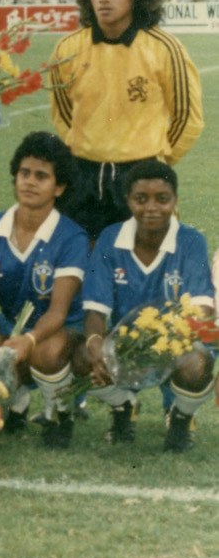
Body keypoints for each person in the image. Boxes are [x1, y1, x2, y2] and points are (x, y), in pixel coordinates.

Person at [49, 0, 204, 240]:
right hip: (82, 178)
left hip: (142, 178)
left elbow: (188, 119)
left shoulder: (165, 49)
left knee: (145, 271)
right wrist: (94, 145)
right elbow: (65, 114)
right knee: (81, 270)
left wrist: (154, 159)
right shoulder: (66, 50)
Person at [82, 161, 214, 451]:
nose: (151, 207)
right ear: (128, 200)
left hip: (176, 343)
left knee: (198, 362)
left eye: (162, 199)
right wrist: (95, 345)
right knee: (80, 355)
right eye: (141, 199)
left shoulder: (191, 241)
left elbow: (202, 308)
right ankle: (123, 407)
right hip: (125, 345)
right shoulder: (109, 239)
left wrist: (163, 339)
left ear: (175, 201)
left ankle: (180, 419)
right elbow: (95, 309)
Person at [0, 132, 89, 447]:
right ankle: (18, 403)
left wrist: (28, 340)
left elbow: (59, 311)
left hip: (62, 329)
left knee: (45, 351)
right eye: (24, 173)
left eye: (41, 176)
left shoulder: (70, 237)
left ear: (59, 187)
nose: (30, 182)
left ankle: (58, 412)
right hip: (12, 325)